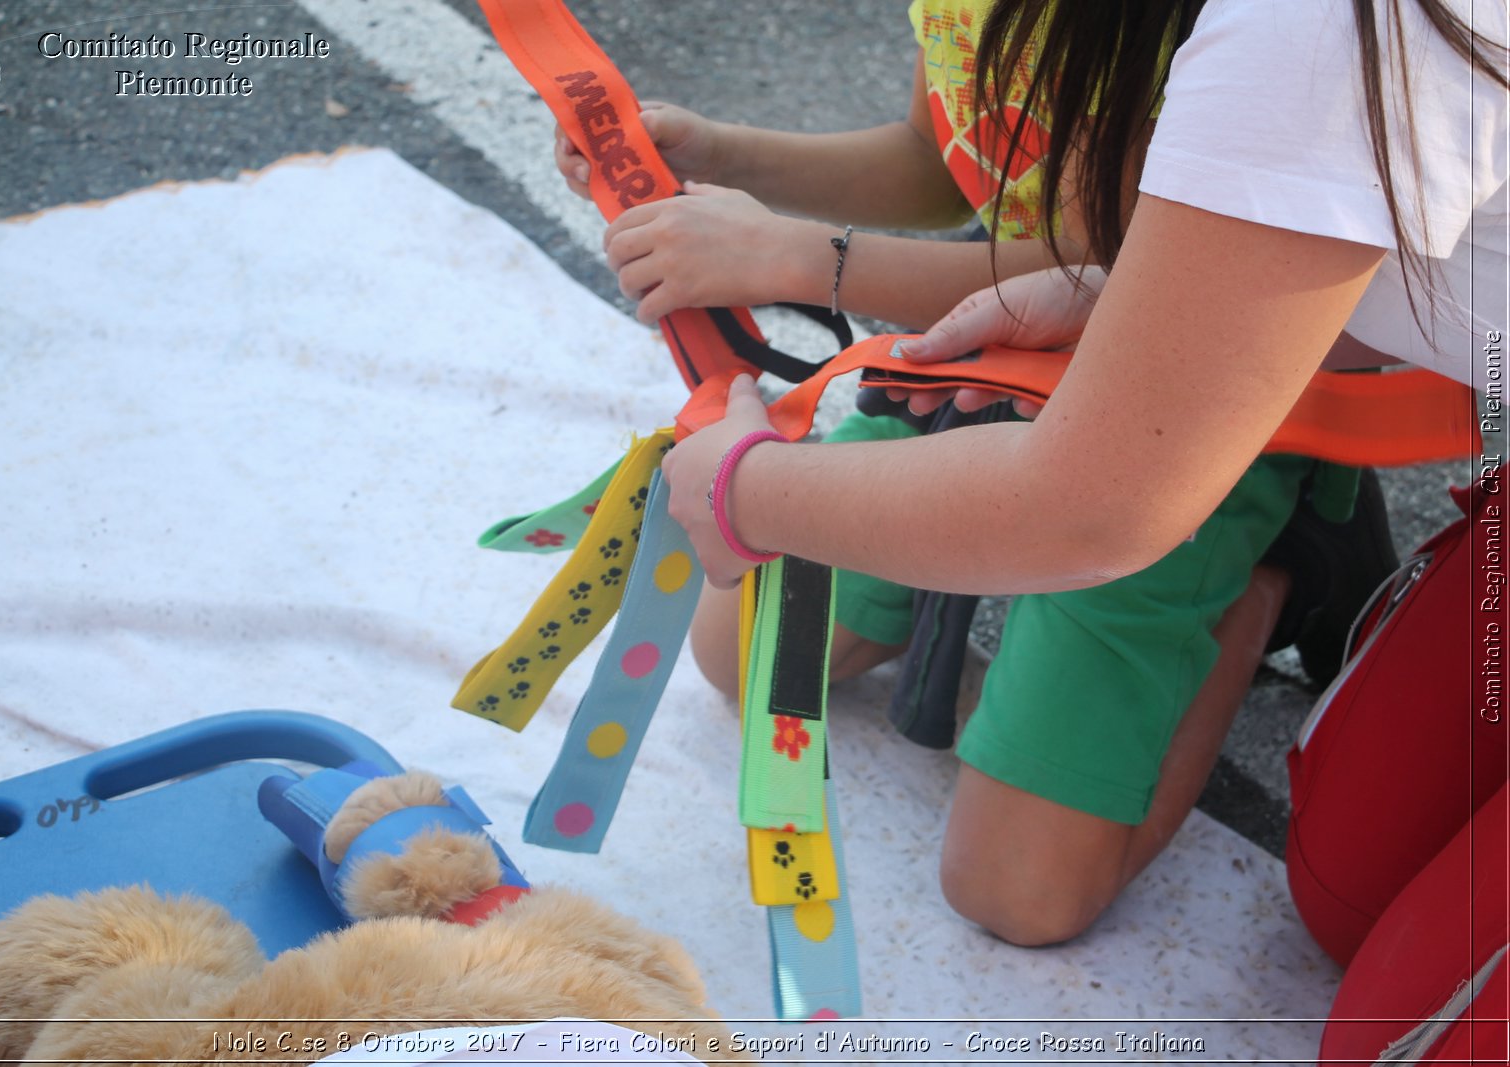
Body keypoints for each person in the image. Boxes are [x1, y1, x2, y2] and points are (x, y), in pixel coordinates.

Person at [637, 1, 1505, 1061]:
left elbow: (1100, 477)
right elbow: (938, 161)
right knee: (741, 653)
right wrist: (723, 160)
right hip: (1036, 348)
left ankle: (1261, 573)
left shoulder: (1252, 42)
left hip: (1188, 419)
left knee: (1018, 889)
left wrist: (757, 448)